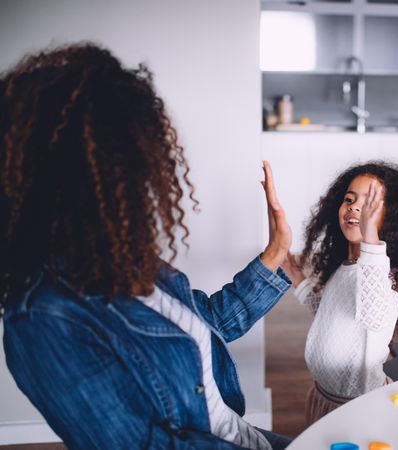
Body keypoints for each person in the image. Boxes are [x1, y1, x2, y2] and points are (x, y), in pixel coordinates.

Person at [1, 43, 293, 449]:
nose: (147, 179)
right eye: (128, 161)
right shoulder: (42, 318)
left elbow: (205, 323)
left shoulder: (121, 258)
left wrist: (275, 254)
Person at [283, 161, 398, 425]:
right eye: (349, 199)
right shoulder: (347, 265)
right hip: (323, 396)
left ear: (392, 219)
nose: (355, 207)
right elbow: (335, 313)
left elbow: (371, 316)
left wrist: (371, 236)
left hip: (356, 406)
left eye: (370, 203)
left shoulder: (387, 275)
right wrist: (300, 281)